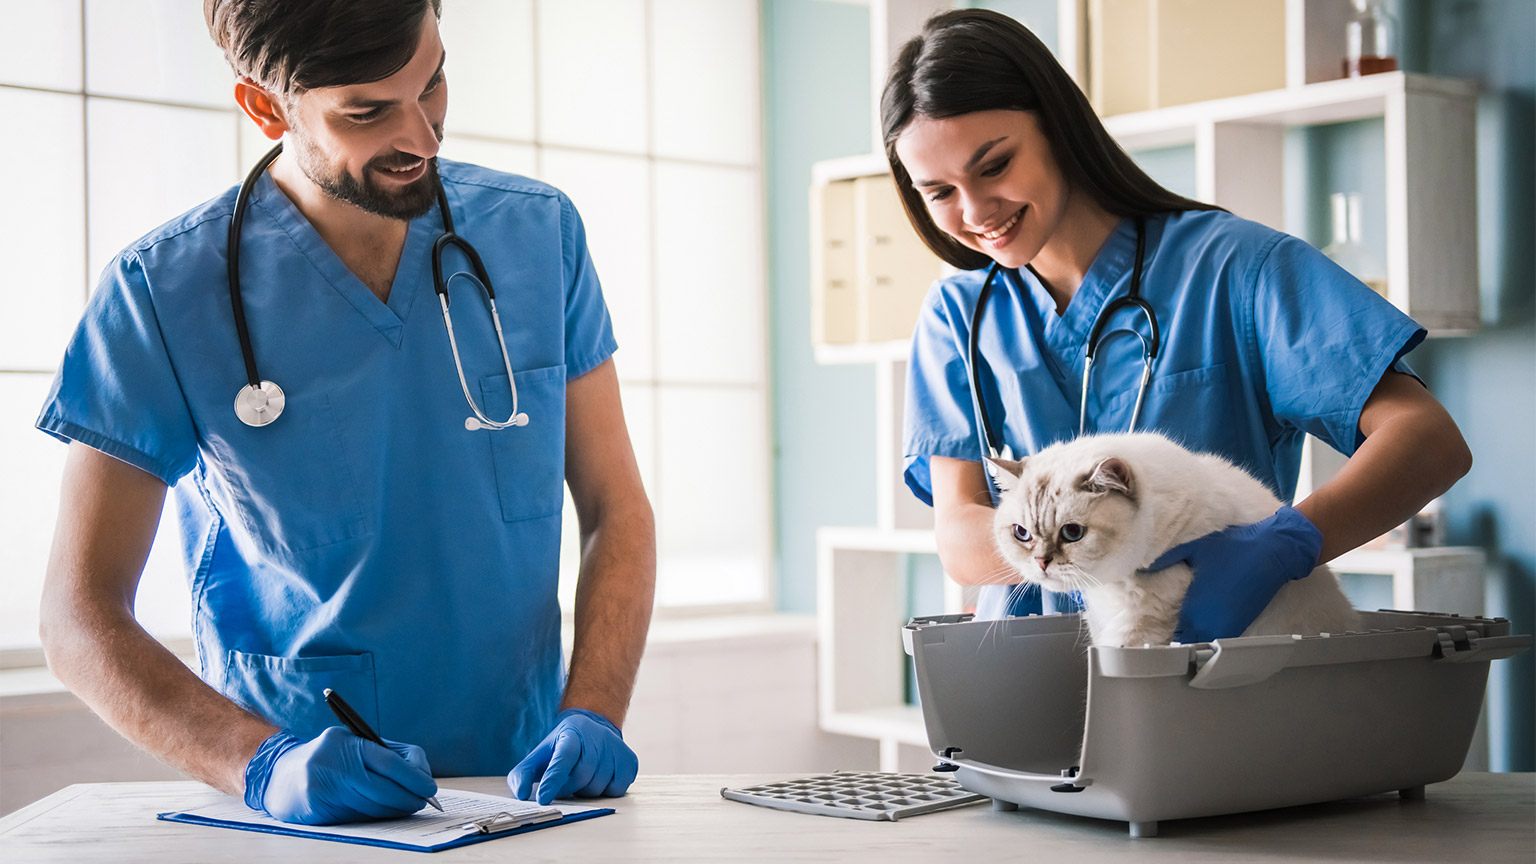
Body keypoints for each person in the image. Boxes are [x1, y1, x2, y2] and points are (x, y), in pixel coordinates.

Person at [35, 0, 655, 825]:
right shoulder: (160, 292)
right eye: (368, 113)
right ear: (264, 107)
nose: (425, 137)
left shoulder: (538, 234)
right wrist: (256, 763)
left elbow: (617, 509)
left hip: (524, 790)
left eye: (433, 85)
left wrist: (596, 708)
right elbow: (77, 615)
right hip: (301, 808)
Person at [886, 9, 1471, 632]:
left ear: (1056, 128)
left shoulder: (1234, 268)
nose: (976, 210)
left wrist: (1286, 544)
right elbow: (958, 536)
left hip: (1206, 668)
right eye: (939, 192)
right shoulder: (959, 315)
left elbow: (1428, 441)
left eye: (995, 165)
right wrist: (1104, 548)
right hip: (1029, 681)